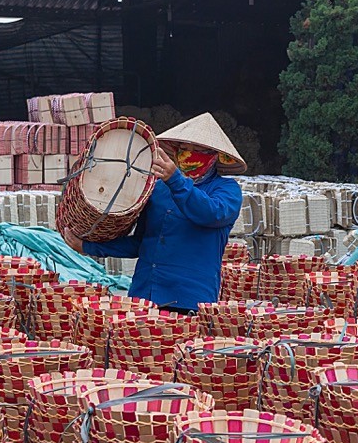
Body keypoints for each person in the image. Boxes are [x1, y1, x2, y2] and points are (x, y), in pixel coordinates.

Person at [63, 112, 244, 314]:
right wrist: (88, 246)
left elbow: (210, 214)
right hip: (144, 295)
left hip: (189, 301)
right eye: (184, 149)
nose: (189, 154)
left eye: (198, 150)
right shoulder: (158, 189)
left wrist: (175, 181)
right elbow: (140, 242)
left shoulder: (227, 190)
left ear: (214, 157)